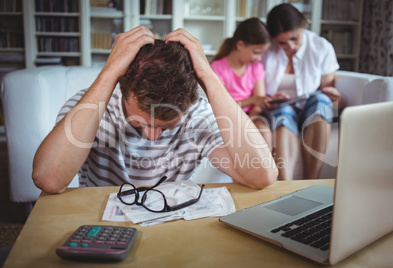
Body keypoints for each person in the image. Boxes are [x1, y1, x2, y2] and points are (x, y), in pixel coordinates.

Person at [32, 26, 278, 193]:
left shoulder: (197, 115)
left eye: (166, 126)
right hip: (101, 226)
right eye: (140, 122)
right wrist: (109, 72)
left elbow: (262, 176)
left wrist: (209, 77)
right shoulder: (91, 107)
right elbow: (49, 179)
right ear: (122, 88)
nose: (151, 137)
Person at [262, 3, 344, 181]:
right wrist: (268, 98)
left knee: (321, 100)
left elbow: (328, 93)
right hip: (279, 109)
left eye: (294, 38)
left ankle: (311, 182)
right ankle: (286, 187)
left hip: (310, 109)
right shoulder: (266, 51)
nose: (290, 46)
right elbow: (255, 89)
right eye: (282, 42)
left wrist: (336, 98)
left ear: (303, 26)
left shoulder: (321, 47)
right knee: (282, 113)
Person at [211, 18, 272, 149]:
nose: (259, 58)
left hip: (251, 117)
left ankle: (269, 168)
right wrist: (252, 100)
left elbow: (258, 104)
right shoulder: (218, 68)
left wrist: (249, 121)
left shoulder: (256, 67)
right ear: (240, 45)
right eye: (256, 53)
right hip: (227, 117)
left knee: (264, 131)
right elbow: (222, 106)